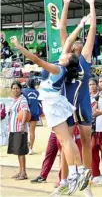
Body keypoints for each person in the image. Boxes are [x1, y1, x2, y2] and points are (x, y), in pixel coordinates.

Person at [10, 17, 91, 195]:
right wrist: (80, 25)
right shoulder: (61, 65)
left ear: (67, 61)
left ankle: (76, 172)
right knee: (65, 141)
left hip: (54, 105)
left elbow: (35, 59)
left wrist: (18, 46)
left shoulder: (57, 69)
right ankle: (77, 172)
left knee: (66, 140)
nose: (66, 52)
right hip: (55, 104)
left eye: (68, 54)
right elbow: (68, 40)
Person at [57, 0, 99, 197]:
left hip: (82, 104)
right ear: (71, 46)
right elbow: (63, 28)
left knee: (86, 143)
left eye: (81, 42)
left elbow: (93, 29)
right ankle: (64, 182)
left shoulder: (86, 58)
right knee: (66, 145)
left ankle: (85, 185)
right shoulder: (66, 57)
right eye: (76, 42)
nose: (79, 43)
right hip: (66, 106)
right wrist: (65, 4)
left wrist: (92, 5)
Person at [7, 81, 30, 180]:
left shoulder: (22, 99)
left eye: (17, 88)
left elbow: (25, 111)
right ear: (11, 90)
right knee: (17, 151)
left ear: (21, 90)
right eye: (13, 88)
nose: (15, 90)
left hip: (19, 129)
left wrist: (22, 124)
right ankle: (20, 171)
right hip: (13, 129)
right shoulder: (14, 100)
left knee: (21, 151)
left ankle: (23, 173)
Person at [89, 78, 102, 186]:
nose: (92, 86)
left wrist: (95, 112)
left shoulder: (100, 96)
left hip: (100, 125)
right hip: (88, 126)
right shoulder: (86, 96)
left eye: (93, 84)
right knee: (92, 150)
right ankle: (94, 173)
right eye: (90, 84)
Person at [23, 78, 41, 155]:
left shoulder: (23, 91)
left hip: (26, 112)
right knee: (32, 132)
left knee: (23, 131)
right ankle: (30, 149)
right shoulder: (37, 92)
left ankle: (24, 147)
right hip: (34, 112)